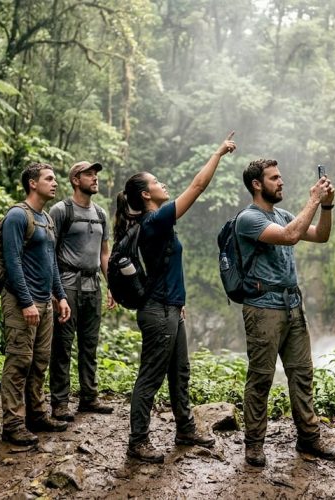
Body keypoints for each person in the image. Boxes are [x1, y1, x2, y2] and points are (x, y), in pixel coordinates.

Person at [115, 132, 237, 463]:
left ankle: (184, 428)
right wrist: (218, 152)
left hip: (171, 309)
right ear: (146, 194)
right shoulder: (154, 220)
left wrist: (179, 304)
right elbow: (197, 187)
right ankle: (137, 441)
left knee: (179, 371)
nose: (162, 184)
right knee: (150, 377)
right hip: (158, 311)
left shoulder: (159, 224)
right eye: (156, 182)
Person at [235, 159, 335, 467]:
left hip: (293, 307)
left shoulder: (282, 215)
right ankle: (254, 444)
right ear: (257, 184)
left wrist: (327, 207)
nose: (281, 182)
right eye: (274, 178)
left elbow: (320, 236)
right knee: (261, 378)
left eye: (280, 177)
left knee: (302, 373)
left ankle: (309, 438)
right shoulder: (248, 219)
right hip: (263, 309)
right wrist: (312, 200)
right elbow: (290, 236)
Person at [0, 162, 72, 446]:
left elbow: (51, 261)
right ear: (33, 183)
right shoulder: (18, 216)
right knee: (19, 361)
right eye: (49, 179)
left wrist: (61, 295)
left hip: (44, 302)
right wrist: (26, 301)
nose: (55, 183)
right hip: (22, 302)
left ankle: (37, 414)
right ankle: (13, 423)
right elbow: (12, 260)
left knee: (40, 361)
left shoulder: (47, 219)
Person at [48, 161, 114, 421]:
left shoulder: (100, 213)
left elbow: (104, 254)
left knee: (90, 344)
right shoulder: (60, 210)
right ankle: (60, 402)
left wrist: (112, 286)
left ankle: (89, 397)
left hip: (93, 285)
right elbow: (49, 252)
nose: (95, 178)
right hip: (68, 283)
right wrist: (55, 291)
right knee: (62, 345)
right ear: (76, 180)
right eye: (89, 174)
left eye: (96, 174)